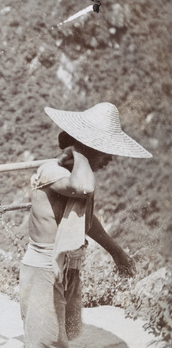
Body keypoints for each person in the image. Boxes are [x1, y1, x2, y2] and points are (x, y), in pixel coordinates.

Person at [19, 102, 151, 347]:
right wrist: (81, 149)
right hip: (44, 270)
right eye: (105, 151)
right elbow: (84, 187)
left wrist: (117, 252)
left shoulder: (76, 176)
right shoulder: (52, 172)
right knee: (45, 341)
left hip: (69, 268)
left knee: (64, 336)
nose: (110, 159)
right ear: (88, 147)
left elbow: (87, 222)